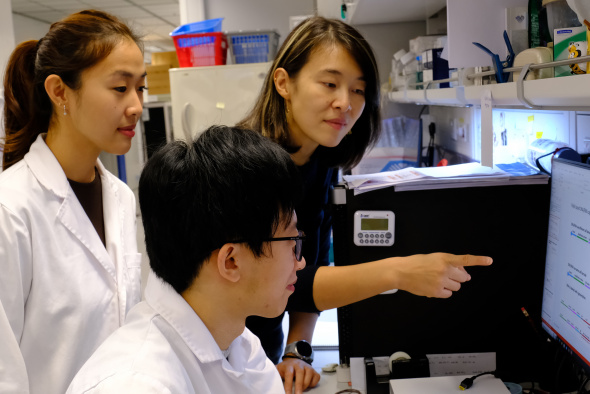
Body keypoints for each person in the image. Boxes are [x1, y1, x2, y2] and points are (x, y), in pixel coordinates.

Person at [238, 16, 493, 393]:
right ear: (283, 83)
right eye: (330, 83)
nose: (346, 103)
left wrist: (297, 350)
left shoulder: (320, 162)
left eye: (359, 90)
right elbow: (267, 280)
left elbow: (308, 265)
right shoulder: (248, 167)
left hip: (266, 359)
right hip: (226, 361)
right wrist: (399, 272)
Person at [67, 125, 304, 393]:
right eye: (292, 243)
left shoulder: (240, 345)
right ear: (231, 261)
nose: (301, 261)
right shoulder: (135, 384)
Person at [0, 10, 145, 393]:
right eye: (120, 88)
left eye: (140, 88)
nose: (136, 106)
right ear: (59, 91)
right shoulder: (10, 208)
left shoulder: (121, 198)